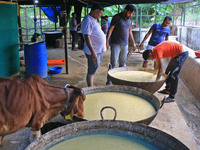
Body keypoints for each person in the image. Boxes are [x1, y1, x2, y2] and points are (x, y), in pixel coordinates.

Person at [106, 4, 137, 85]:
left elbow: (130, 31)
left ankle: (120, 80)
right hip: (115, 43)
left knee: (122, 63)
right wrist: (107, 41)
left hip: (125, 44)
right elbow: (110, 29)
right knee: (113, 63)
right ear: (125, 10)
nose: (131, 15)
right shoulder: (117, 17)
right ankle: (109, 80)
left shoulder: (130, 20)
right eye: (130, 13)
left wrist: (133, 43)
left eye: (132, 13)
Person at [81, 4, 106, 87]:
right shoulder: (87, 20)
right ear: (95, 11)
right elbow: (87, 37)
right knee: (91, 70)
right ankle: (90, 88)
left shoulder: (94, 19)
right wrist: (93, 53)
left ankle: (91, 86)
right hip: (93, 51)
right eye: (100, 13)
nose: (100, 15)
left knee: (94, 68)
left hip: (97, 50)